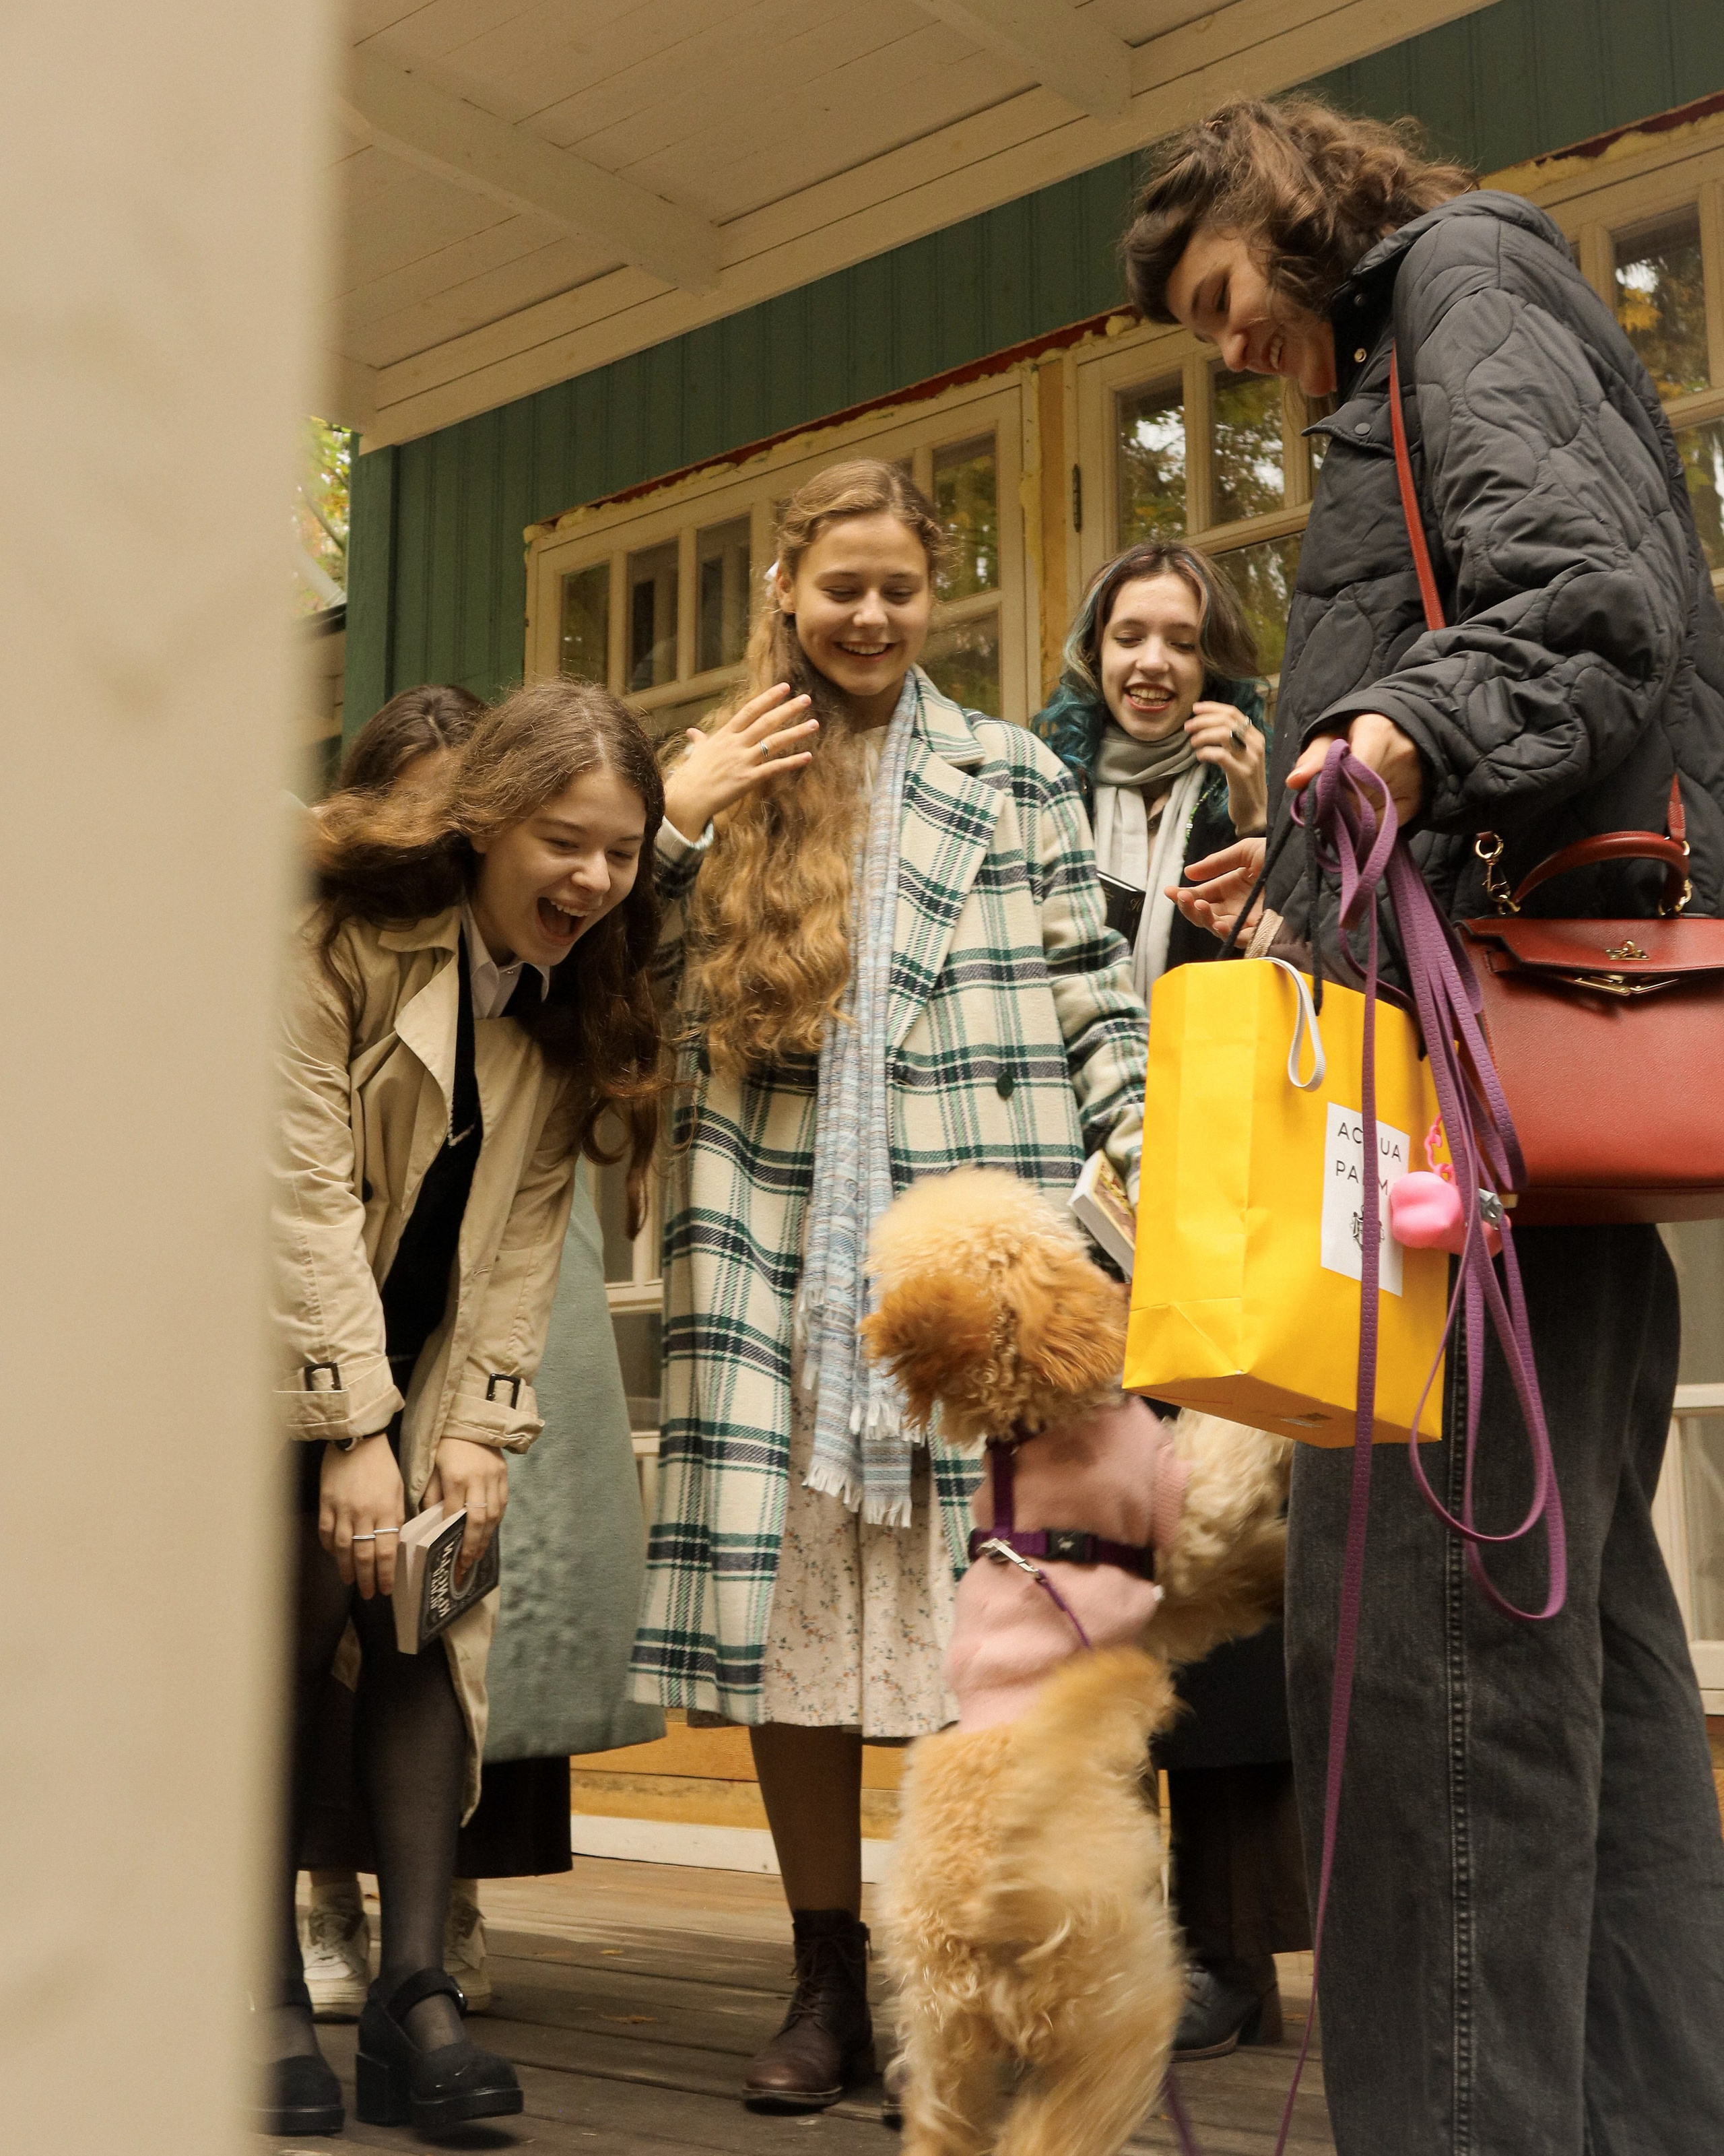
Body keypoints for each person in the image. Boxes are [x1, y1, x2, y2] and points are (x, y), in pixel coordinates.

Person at [1125, 96, 1724, 2155]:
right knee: (1595, 1677)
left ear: (1292, 214)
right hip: (1528, 1142)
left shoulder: (1460, 275)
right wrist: (1300, 868)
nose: (1218, 345)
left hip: (1464, 1152)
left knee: (1441, 1678)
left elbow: (1584, 607)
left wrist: (1400, 724)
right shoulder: (1442, 330)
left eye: (1216, 295)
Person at [631, 457, 1148, 2111]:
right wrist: (675, 813)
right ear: (785, 589)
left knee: (981, 1633)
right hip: (775, 1248)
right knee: (799, 1619)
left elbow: (1087, 985)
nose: (868, 613)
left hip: (967, 1243)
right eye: (838, 584)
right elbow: (601, 980)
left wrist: (1133, 1145)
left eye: (899, 588)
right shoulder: (716, 781)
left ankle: (979, 1973)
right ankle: (821, 1973)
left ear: (934, 601)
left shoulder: (1009, 770)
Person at [265, 680, 664, 2136]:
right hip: (274, 1343)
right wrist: (350, 1430)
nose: (593, 879)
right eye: (566, 840)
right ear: (483, 819)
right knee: (291, 1632)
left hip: (425, 1362)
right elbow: (295, 1194)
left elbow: (516, 1241)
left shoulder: (571, 993)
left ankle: (412, 1992)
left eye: (620, 851)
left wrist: (477, 1429)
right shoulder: (330, 938)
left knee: (427, 1607)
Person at [1032, 541, 1310, 2058]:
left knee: (1213, 1564)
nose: (1151, 661)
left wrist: (1264, 816)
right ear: (1090, 649)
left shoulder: (1249, 786)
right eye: (1127, 634)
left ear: (1214, 659)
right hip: (1067, 1222)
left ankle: (1226, 1952)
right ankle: (1101, 1938)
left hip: (1213, 1210)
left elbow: (1301, 983)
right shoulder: (1032, 786)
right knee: (1081, 1581)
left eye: (1180, 639)